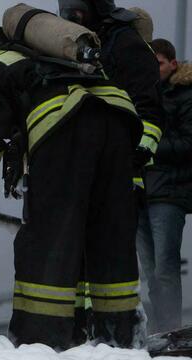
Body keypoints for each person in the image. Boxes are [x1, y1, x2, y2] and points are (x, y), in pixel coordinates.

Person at [0, 24, 144, 350]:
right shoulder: (48, 62)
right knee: (110, 238)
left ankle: (40, 340)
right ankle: (120, 338)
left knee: (48, 237)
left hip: (68, 124)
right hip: (119, 120)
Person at [58, 0, 165, 188]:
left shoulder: (125, 43)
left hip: (122, 178)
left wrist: (133, 157)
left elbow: (148, 107)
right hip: (77, 170)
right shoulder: (68, 44)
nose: (70, 14)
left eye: (76, 9)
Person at [136, 38, 192, 334]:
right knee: (150, 272)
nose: (153, 69)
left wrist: (148, 146)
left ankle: (170, 329)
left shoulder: (185, 95)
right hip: (141, 191)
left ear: (173, 63)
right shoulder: (144, 95)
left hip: (169, 192)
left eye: (158, 63)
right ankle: (159, 331)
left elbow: (189, 143)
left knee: (164, 268)